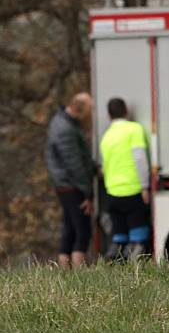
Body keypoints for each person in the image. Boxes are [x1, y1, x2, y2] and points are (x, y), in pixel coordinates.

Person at [45, 92, 95, 268]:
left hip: (65, 184)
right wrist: (87, 193)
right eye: (90, 110)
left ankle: (65, 274)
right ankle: (80, 278)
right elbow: (74, 164)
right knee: (82, 232)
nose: (91, 115)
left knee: (70, 229)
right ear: (80, 109)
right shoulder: (65, 128)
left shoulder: (61, 123)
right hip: (72, 186)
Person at [99, 98, 151, 260]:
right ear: (126, 111)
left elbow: (105, 166)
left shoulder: (106, 136)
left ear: (109, 115)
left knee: (119, 234)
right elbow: (139, 158)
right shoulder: (134, 129)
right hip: (133, 190)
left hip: (113, 192)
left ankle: (115, 258)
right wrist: (144, 185)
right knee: (138, 234)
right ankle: (135, 261)